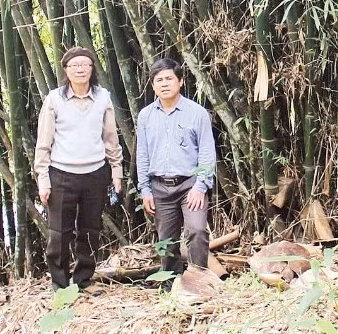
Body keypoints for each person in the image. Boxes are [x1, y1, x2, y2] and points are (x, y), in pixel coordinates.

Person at [33, 47, 123, 292]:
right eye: (75, 65)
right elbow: (44, 142)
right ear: (66, 71)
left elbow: (111, 138)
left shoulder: (103, 97)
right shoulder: (54, 99)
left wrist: (116, 171)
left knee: (90, 230)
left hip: (95, 173)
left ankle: (84, 279)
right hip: (61, 174)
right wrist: (43, 179)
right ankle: (59, 284)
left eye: (85, 65)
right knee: (58, 234)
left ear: (92, 69)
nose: (80, 69)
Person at [136, 58, 216, 290]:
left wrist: (200, 186)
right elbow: (142, 154)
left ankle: (198, 282)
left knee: (197, 230)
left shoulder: (197, 113)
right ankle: (170, 286)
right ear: (152, 86)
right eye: (158, 80)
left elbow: (207, 153)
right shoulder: (146, 116)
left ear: (180, 81)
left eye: (169, 78)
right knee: (166, 240)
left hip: (190, 184)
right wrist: (145, 189)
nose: (164, 84)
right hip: (159, 186)